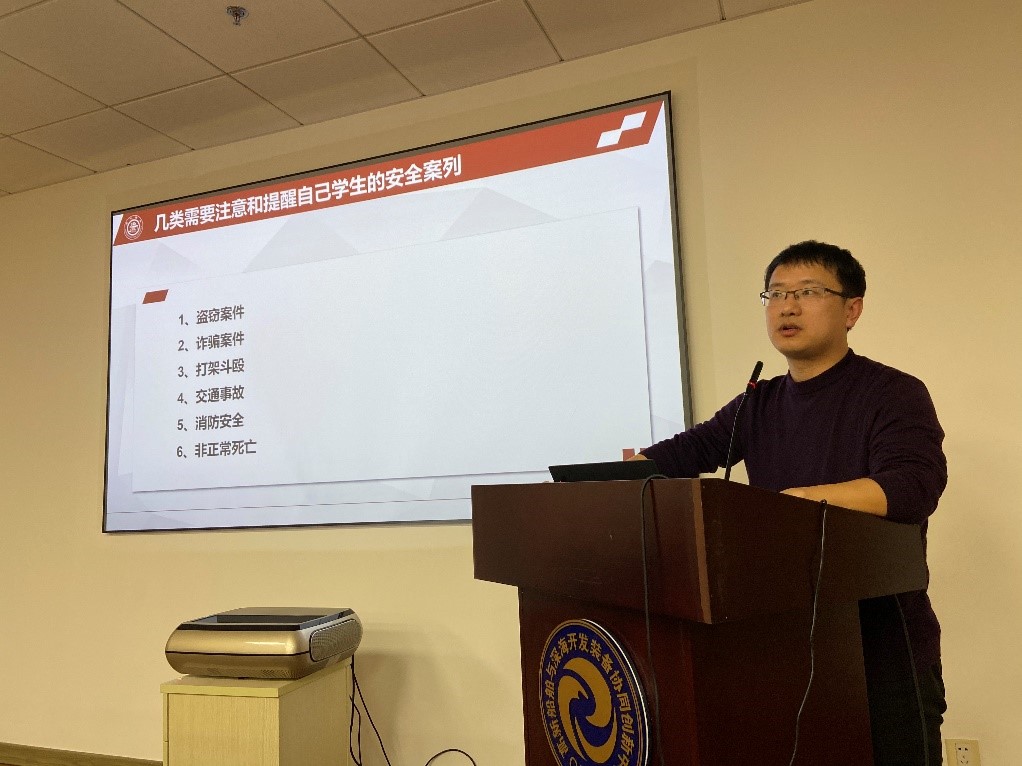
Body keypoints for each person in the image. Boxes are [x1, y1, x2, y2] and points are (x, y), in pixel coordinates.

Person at [636, 240, 947, 765]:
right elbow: (684, 454)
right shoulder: (758, 402)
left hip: (877, 641)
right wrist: (613, 474)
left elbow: (913, 485)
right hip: (778, 637)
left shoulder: (893, 392)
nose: (787, 306)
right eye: (776, 294)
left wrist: (796, 503)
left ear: (852, 310)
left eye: (807, 292)